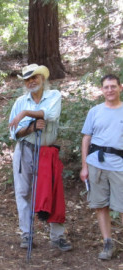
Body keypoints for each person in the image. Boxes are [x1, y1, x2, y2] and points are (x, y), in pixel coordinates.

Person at [9, 63, 72, 252]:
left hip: (47, 151)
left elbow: (51, 115)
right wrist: (30, 127)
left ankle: (57, 236)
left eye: (34, 77)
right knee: (23, 192)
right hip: (25, 149)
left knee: (52, 192)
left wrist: (26, 113)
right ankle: (27, 234)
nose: (31, 82)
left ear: (42, 79)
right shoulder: (20, 101)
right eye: (27, 79)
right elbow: (14, 133)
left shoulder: (54, 96)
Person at [80, 74, 123, 260]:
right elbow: (86, 138)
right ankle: (107, 242)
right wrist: (84, 166)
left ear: (120, 88)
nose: (110, 90)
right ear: (101, 90)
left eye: (113, 86)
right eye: (106, 87)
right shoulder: (95, 111)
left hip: (119, 165)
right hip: (96, 164)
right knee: (100, 205)